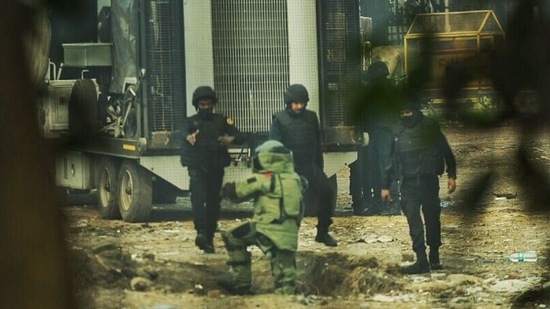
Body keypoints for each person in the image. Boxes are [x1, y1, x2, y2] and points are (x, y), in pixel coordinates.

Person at [216, 140, 307, 295]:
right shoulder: (297, 180)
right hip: (290, 236)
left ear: (266, 159)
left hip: (266, 231)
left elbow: (237, 192)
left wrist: (223, 191)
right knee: (286, 276)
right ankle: (287, 298)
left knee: (232, 236)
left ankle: (240, 282)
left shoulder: (265, 178)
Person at [381, 101, 457, 274]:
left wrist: (451, 175)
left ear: (415, 111)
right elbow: (391, 160)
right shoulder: (398, 131)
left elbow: (446, 152)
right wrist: (385, 185)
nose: (405, 116)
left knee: (431, 219)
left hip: (428, 181)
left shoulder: (430, 127)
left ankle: (434, 255)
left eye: (408, 112)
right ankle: (421, 259)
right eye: (402, 112)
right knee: (413, 219)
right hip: (408, 184)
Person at [180, 85, 247, 253]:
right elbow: (180, 132)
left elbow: (239, 135)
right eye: (202, 105)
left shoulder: (222, 120)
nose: (205, 107)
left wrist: (229, 139)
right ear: (197, 105)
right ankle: (201, 232)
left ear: (213, 104)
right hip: (197, 168)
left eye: (208, 104)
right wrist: (189, 137)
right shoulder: (191, 122)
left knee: (213, 203)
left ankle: (208, 237)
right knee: (197, 200)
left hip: (215, 167)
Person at [269, 84, 337, 247]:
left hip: (310, 166)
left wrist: (319, 168)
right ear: (289, 102)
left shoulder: (312, 117)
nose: (299, 106)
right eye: (296, 103)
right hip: (290, 169)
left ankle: (322, 232)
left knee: (327, 192)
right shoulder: (279, 119)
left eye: (302, 103)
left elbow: (316, 143)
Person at [350, 61, 402, 216]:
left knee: (380, 169)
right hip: (383, 133)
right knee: (381, 168)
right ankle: (386, 203)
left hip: (382, 133)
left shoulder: (381, 91)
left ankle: (388, 204)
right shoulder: (392, 89)